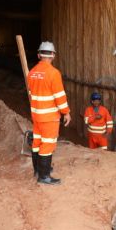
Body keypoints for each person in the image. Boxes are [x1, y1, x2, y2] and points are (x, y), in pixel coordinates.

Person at [27, 41, 70, 185]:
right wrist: (66, 112)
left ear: (39, 55)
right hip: (49, 116)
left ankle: (38, 170)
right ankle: (44, 176)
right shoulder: (53, 73)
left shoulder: (32, 73)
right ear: (53, 55)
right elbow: (59, 96)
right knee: (48, 144)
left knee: (37, 141)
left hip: (36, 116)